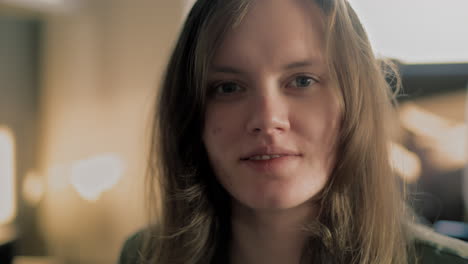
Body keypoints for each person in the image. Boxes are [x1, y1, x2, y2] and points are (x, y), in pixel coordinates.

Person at [119, 0, 468, 263]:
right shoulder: (144, 255)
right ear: (191, 113)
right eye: (228, 87)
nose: (268, 119)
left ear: (354, 103)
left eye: (303, 80)